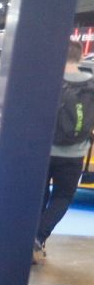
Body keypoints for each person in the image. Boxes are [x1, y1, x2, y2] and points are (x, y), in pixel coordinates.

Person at [34, 43, 94, 263]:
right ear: (80, 57)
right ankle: (39, 237)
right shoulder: (91, 84)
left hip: (44, 150)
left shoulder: (49, 81)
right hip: (75, 153)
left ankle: (31, 238)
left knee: (39, 194)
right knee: (63, 196)